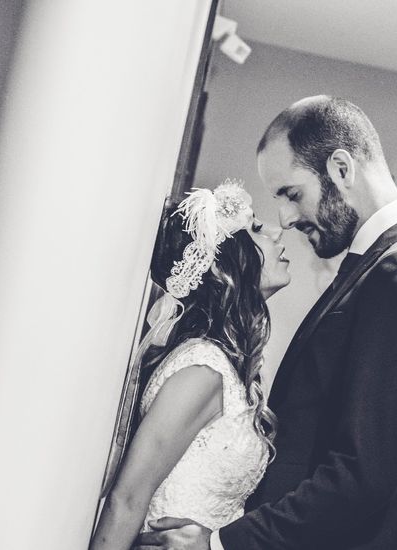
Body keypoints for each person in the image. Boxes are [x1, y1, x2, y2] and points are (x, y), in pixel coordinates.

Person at [138, 96, 397, 549]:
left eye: (292, 194)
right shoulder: (377, 268)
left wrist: (220, 545)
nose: (285, 219)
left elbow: (361, 477)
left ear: (341, 168)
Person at [89, 180, 292, 550]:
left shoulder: (227, 369)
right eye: (259, 229)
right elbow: (128, 499)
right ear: (226, 264)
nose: (278, 232)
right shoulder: (203, 370)